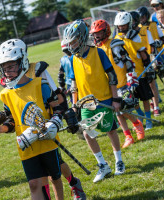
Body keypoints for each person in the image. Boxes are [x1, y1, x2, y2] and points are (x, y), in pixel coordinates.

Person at [0, 39, 66, 200]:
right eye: (4, 68)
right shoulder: (5, 94)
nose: (7, 71)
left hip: (47, 141)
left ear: (23, 62)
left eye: (11, 66)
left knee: (55, 177)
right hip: (26, 144)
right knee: (34, 184)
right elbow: (12, 120)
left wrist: (54, 123)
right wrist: (2, 129)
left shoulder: (40, 84)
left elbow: (58, 109)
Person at [63, 19, 125, 183]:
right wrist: (74, 105)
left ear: (82, 38)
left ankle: (119, 161)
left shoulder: (98, 53)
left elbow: (112, 77)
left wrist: (116, 99)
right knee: (87, 134)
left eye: (74, 41)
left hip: (104, 99)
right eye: (69, 42)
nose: (71, 45)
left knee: (110, 131)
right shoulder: (72, 59)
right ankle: (103, 165)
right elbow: (73, 85)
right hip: (85, 103)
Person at [89, 19, 145, 148]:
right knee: (117, 112)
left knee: (125, 110)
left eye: (99, 32)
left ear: (106, 32)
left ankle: (137, 125)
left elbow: (128, 62)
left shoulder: (114, 44)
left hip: (122, 83)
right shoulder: (95, 49)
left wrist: (131, 78)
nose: (96, 35)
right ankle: (128, 136)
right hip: (108, 86)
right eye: (94, 33)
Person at [113, 11, 154, 130]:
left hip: (140, 73)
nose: (121, 28)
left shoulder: (135, 36)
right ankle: (140, 116)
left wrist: (149, 68)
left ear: (129, 24)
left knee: (145, 98)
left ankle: (148, 119)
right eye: (120, 26)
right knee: (133, 100)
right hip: (127, 76)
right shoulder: (116, 39)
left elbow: (143, 54)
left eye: (124, 25)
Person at [137, 6, 164, 100]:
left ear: (146, 16)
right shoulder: (138, 28)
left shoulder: (154, 25)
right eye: (140, 18)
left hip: (157, 54)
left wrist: (159, 42)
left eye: (143, 17)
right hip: (146, 56)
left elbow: (163, 38)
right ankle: (157, 97)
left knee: (163, 73)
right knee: (151, 78)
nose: (141, 20)